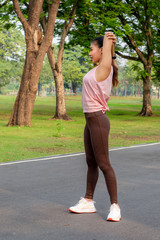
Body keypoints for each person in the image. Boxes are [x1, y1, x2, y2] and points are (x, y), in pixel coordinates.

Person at [68, 32, 121, 222]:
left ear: (101, 50)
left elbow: (108, 50)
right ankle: (88, 201)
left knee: (103, 163)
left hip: (97, 119)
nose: (90, 53)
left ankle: (115, 206)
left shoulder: (104, 69)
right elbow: (108, 54)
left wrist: (109, 40)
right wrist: (110, 47)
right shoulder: (98, 69)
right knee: (91, 162)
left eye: (92, 49)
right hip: (90, 121)